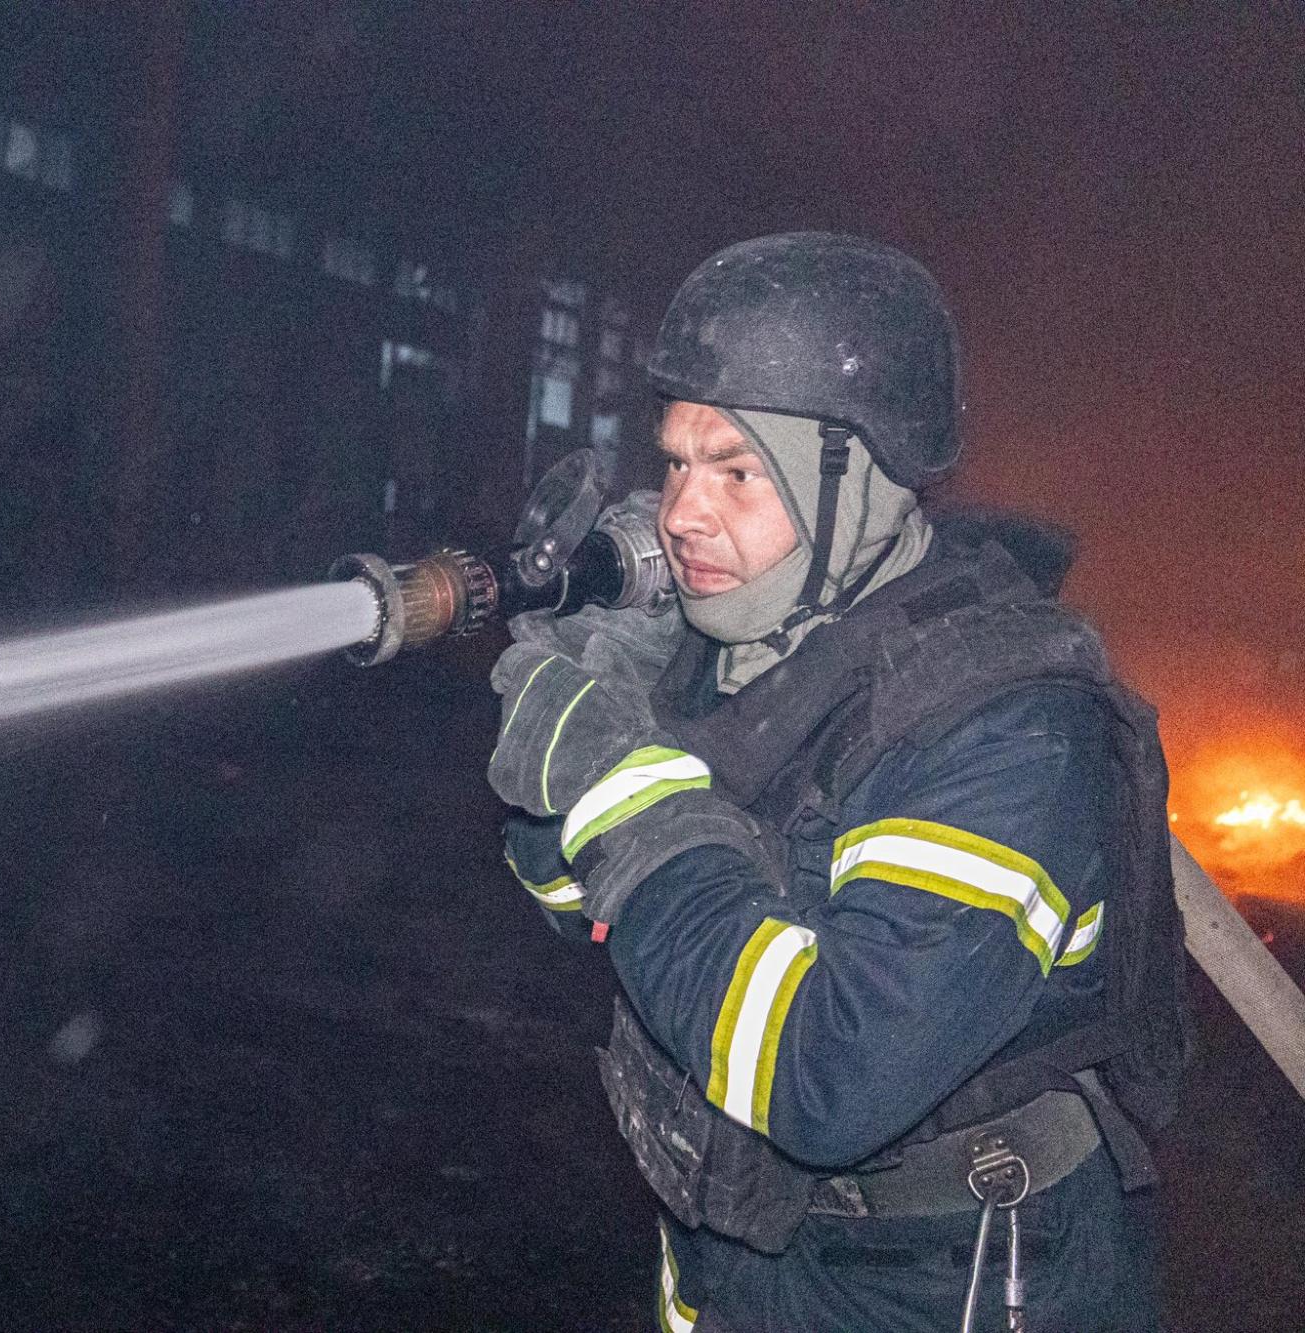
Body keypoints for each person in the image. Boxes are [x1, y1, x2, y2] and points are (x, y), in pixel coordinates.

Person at [487, 233, 1185, 1331]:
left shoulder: (1003, 726)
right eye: (675, 464)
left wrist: (621, 785)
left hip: (944, 1274)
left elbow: (830, 1076)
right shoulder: (739, 648)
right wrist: (563, 771)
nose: (680, 513)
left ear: (859, 478)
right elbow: (593, 914)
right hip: (743, 1248)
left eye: (736, 472)